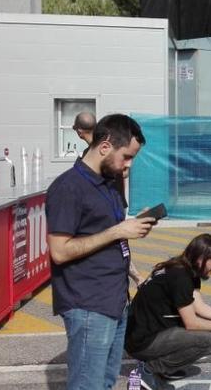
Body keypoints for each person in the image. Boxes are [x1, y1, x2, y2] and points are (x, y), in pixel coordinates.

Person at [47, 114, 156, 390]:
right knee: (89, 385)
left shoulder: (108, 184)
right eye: (126, 157)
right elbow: (59, 251)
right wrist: (118, 231)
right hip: (88, 304)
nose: (128, 165)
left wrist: (131, 231)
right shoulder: (68, 187)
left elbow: (109, 236)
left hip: (114, 300)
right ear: (105, 147)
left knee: (105, 382)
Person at [126, 233, 211, 390]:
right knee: (205, 339)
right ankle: (149, 370)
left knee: (208, 327)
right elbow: (191, 323)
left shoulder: (184, 268)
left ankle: (164, 369)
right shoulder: (180, 277)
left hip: (144, 333)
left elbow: (198, 306)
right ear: (200, 259)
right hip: (141, 342)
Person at [74, 110, 142, 286]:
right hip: (117, 200)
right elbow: (125, 174)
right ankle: (134, 277)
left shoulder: (94, 155)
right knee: (118, 242)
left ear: (79, 131)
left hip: (109, 203)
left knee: (115, 241)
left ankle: (134, 277)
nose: (127, 163)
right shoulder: (100, 152)